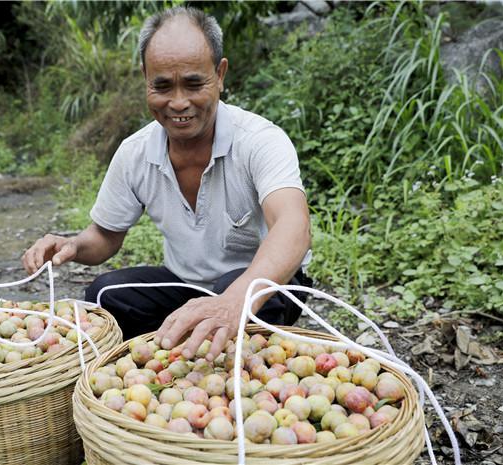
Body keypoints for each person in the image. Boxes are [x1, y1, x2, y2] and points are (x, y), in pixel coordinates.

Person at [23, 6, 312, 362]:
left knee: (238, 301)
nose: (178, 102)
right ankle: (155, 366)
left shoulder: (259, 140)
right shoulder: (135, 153)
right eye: (162, 86)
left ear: (220, 75)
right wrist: (71, 245)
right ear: (145, 78)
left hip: (264, 287)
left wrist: (234, 300)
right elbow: (105, 237)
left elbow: (293, 226)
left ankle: (226, 351)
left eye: (194, 83)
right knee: (104, 295)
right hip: (186, 285)